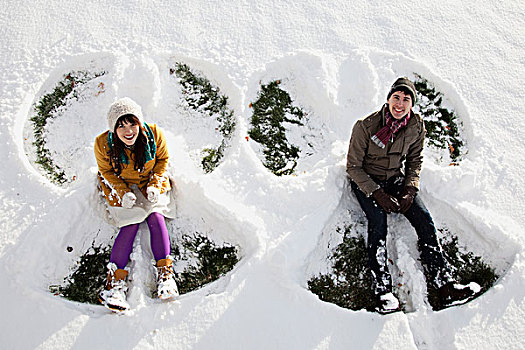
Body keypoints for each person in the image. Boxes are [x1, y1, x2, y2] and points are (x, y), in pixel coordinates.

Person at [346, 77, 480, 314]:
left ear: (412, 104)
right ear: (388, 99)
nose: (400, 104)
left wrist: (410, 189)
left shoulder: (416, 126)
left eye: (406, 99)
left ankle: (444, 285)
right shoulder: (365, 126)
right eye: (396, 97)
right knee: (378, 223)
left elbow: (415, 161)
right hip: (367, 180)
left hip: (395, 179)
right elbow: (353, 167)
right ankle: (382, 291)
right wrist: (377, 194)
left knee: (424, 219)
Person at [94, 97, 179, 312]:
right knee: (130, 223)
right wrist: (122, 193)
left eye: (132, 123)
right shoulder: (103, 144)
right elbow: (106, 172)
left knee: (155, 216)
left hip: (148, 182)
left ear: (139, 123)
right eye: (121, 125)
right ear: (113, 129)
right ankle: (115, 285)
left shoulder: (154, 135)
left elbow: (162, 161)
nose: (128, 130)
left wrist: (154, 184)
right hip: (119, 186)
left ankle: (166, 276)